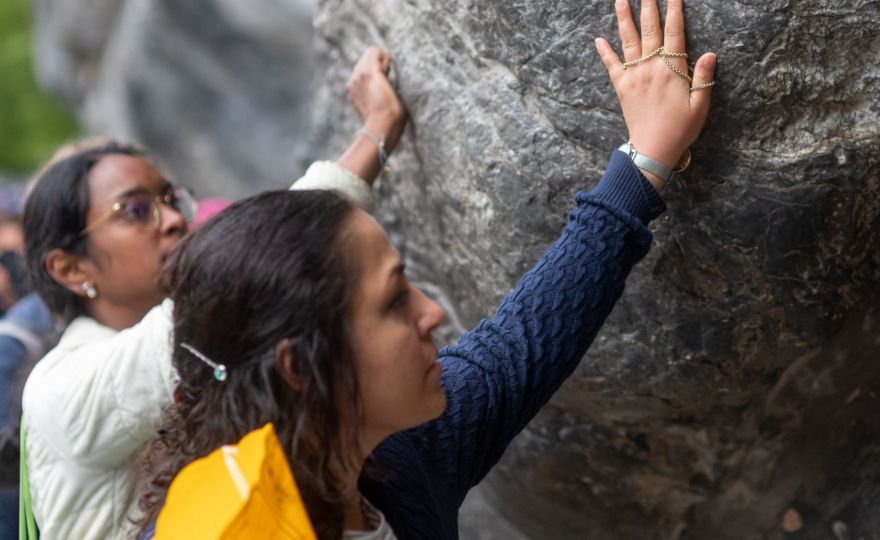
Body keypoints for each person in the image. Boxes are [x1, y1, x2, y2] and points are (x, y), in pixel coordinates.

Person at [136, 0, 717, 538]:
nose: (431, 312)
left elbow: (515, 350)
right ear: (296, 367)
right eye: (392, 301)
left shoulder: (383, 463)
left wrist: (644, 161)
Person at [18, 47, 407, 539]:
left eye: (170, 198)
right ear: (70, 268)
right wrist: (377, 129)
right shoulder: (59, 388)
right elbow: (247, 269)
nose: (175, 219)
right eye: (136, 210)